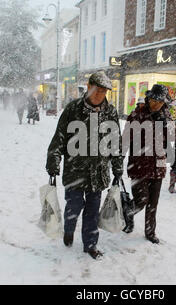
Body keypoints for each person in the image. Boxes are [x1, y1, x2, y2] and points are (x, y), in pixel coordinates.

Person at [46, 71, 123, 260]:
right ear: (88, 87)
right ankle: (69, 229)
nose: (100, 95)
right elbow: (59, 138)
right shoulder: (73, 109)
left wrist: (118, 166)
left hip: (98, 171)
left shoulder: (110, 112)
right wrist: (53, 162)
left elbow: (115, 142)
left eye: (104, 92)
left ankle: (90, 244)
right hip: (75, 169)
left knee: (92, 210)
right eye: (97, 90)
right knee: (74, 205)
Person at [122, 84, 171, 244]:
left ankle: (150, 232)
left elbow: (172, 138)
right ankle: (128, 213)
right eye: (154, 100)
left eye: (160, 101)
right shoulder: (137, 114)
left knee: (153, 203)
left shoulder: (166, 115)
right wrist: (119, 157)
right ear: (148, 98)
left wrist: (165, 125)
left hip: (158, 165)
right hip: (139, 165)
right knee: (141, 200)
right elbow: (125, 138)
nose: (157, 104)